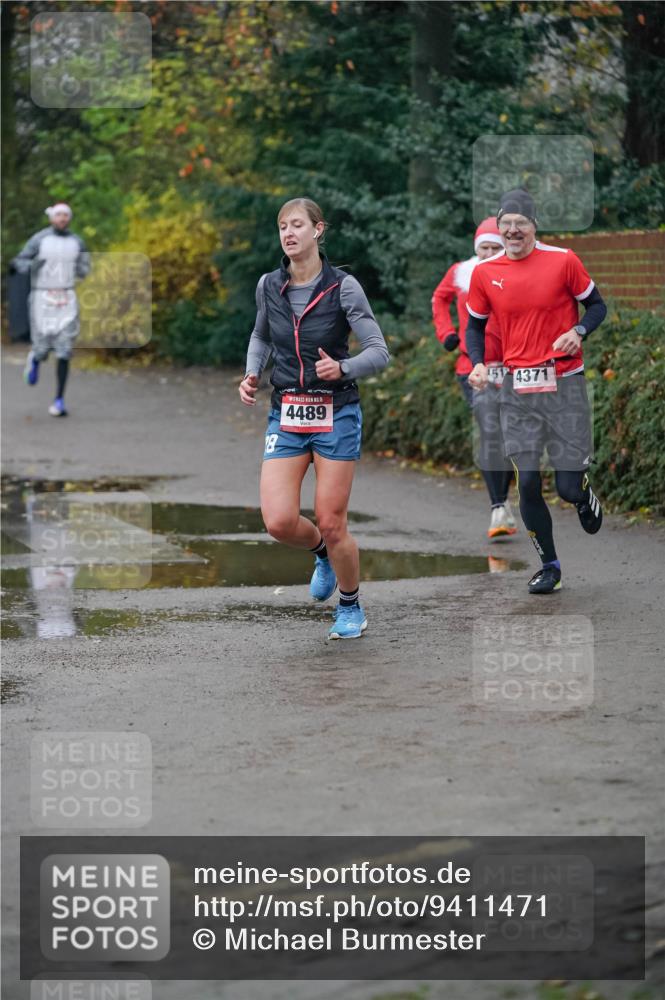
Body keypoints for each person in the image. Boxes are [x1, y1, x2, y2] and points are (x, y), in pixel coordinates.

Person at [239, 198, 390, 639]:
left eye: (297, 225)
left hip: (336, 412)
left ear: (318, 230)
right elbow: (261, 334)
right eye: (282, 226)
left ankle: (350, 606)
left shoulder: (344, 287)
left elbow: (379, 352)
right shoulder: (269, 284)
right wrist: (252, 373)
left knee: (331, 518)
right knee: (279, 522)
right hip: (287, 412)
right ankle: (322, 553)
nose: (288, 233)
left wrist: (343, 367)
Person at [466, 188, 607, 595]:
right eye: (505, 223)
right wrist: (477, 362)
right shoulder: (485, 272)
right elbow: (475, 325)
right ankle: (550, 566)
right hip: (516, 389)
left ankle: (581, 495)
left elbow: (596, 305)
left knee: (564, 486)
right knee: (527, 481)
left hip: (564, 384)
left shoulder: (564, 261)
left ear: (533, 226)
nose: (512, 230)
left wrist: (578, 331)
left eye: (520, 223)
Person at [432, 217, 517, 540]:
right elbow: (439, 299)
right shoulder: (461, 273)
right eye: (485, 248)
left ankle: (505, 502)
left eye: (496, 247)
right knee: (491, 431)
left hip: (513, 367)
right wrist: (447, 333)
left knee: (509, 437)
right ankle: (498, 506)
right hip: (473, 368)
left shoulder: (514, 273)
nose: (490, 253)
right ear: (476, 248)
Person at [12, 203, 90, 416]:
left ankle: (59, 400)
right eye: (59, 215)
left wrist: (79, 271)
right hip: (42, 297)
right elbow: (20, 261)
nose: (63, 219)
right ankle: (35, 359)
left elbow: (85, 269)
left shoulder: (77, 242)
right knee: (43, 348)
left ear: (70, 218)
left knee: (65, 350)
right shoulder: (40, 240)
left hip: (66, 297)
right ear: (51, 218)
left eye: (66, 215)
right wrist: (32, 267)